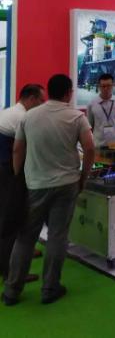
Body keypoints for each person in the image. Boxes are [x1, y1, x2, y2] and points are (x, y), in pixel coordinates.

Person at [2, 74, 95, 306]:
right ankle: (50, 288)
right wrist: (84, 177)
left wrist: (19, 177)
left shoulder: (29, 117)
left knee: (25, 237)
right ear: (68, 93)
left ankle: (12, 290)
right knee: (57, 236)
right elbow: (90, 148)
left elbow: (17, 150)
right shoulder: (76, 117)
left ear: (49, 92)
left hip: (35, 184)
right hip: (67, 184)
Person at [0, 84, 46, 283]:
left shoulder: (10, 111)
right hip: (9, 172)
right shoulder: (22, 117)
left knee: (19, 214)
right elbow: (23, 149)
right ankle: (9, 271)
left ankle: (22, 249)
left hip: (6, 170)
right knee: (10, 219)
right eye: (41, 100)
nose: (43, 104)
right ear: (32, 99)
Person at [86, 73, 115, 147]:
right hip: (99, 144)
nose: (106, 89)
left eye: (108, 86)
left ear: (113, 85)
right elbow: (91, 125)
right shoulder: (91, 104)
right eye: (103, 86)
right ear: (99, 86)